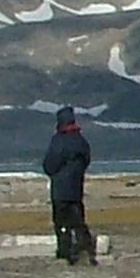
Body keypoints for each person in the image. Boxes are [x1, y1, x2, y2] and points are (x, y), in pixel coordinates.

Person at [42, 105, 96, 264]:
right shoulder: (81, 141)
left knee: (62, 223)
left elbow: (50, 165)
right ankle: (85, 249)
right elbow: (86, 161)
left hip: (60, 189)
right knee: (78, 221)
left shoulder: (59, 141)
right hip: (76, 189)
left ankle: (65, 253)